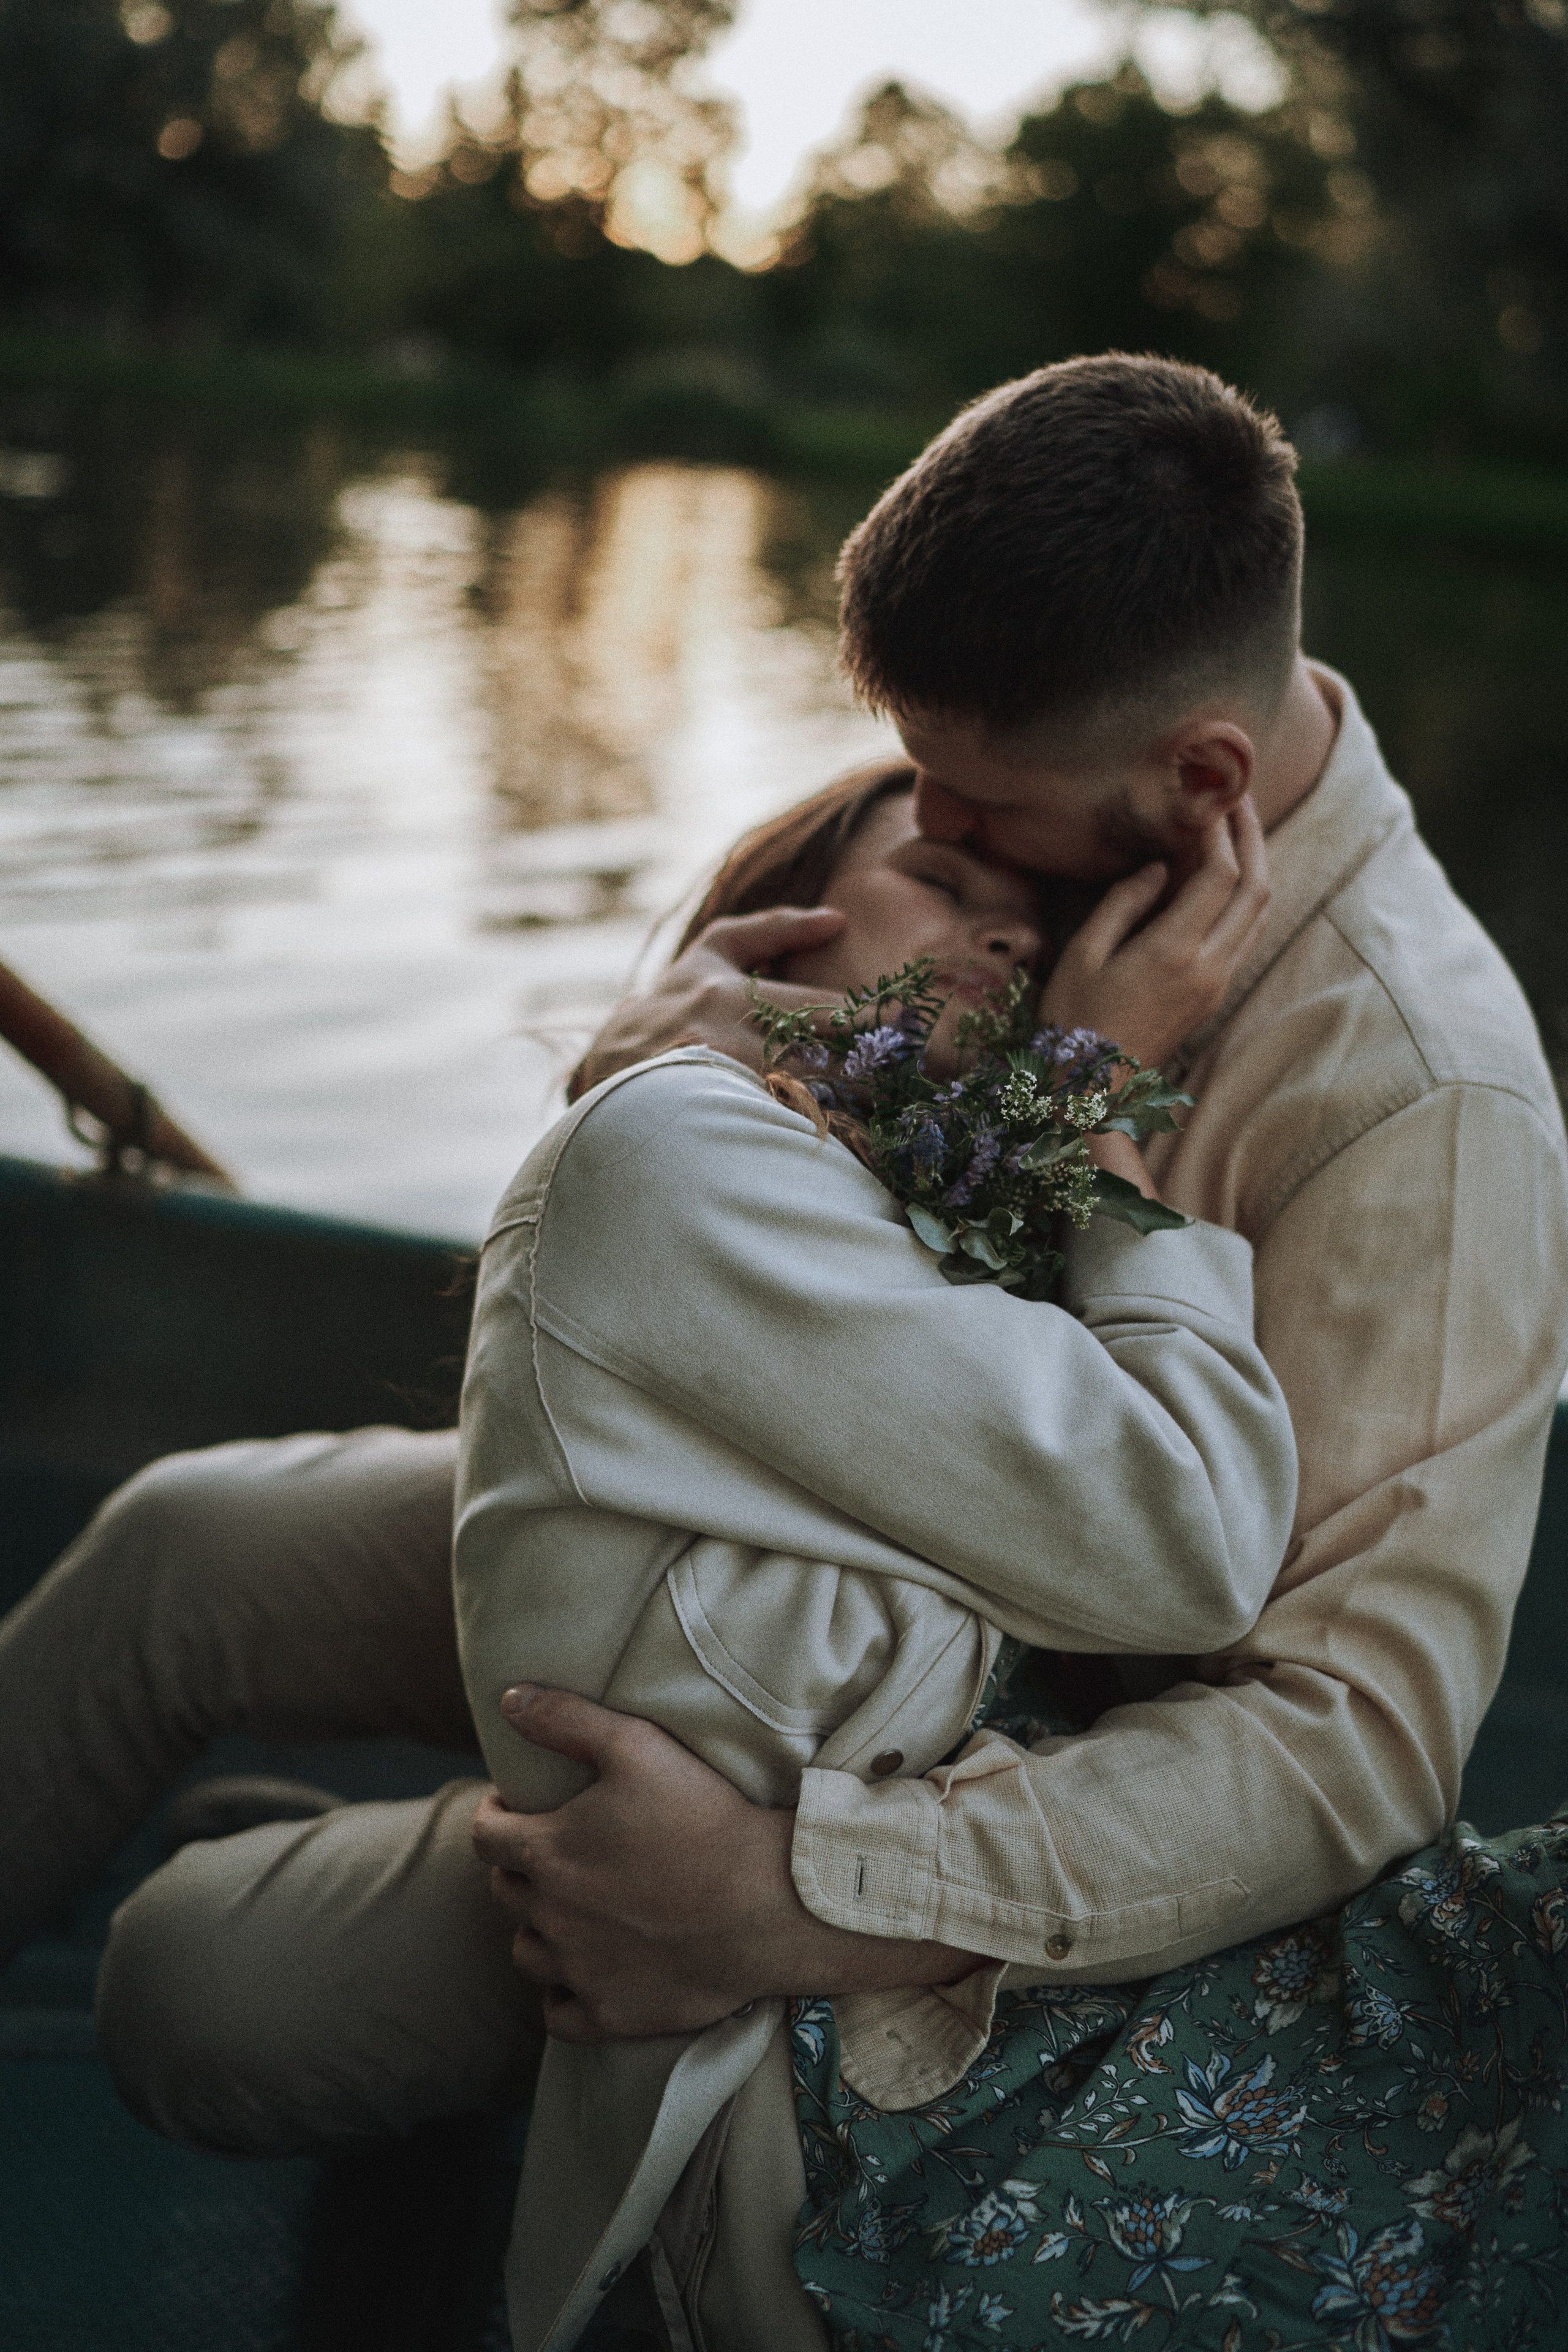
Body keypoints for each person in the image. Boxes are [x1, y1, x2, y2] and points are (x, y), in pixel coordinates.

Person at [466, 355, 1568, 2339]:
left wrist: (798, 1891)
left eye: (977, 806)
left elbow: (1361, 1739)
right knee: (203, 1558)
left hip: (937, 1731)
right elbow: (741, 1274)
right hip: (785, 1538)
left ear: (1204, 782)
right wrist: (655, 1050)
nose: (922, 825)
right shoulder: (1054, 851)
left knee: (219, 1995)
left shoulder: (1419, 1094)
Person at [451, 763, 1294, 2346]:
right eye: (942, 887)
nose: (1006, 945)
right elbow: (1194, 1535)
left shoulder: (920, 1240)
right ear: (772, 934)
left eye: (1040, 937)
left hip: (905, 1980)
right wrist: (1091, 1099)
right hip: (788, 2098)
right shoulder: (681, 1151)